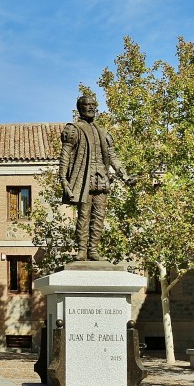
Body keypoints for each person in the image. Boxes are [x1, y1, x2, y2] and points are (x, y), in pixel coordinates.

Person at [58, 93, 133, 261]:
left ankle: (93, 250)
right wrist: (63, 180)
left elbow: (113, 156)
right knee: (84, 216)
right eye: (87, 105)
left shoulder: (103, 132)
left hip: (101, 179)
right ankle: (82, 250)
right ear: (80, 108)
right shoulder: (73, 129)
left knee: (99, 216)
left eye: (94, 105)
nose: (92, 107)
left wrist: (125, 176)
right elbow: (65, 155)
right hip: (84, 178)